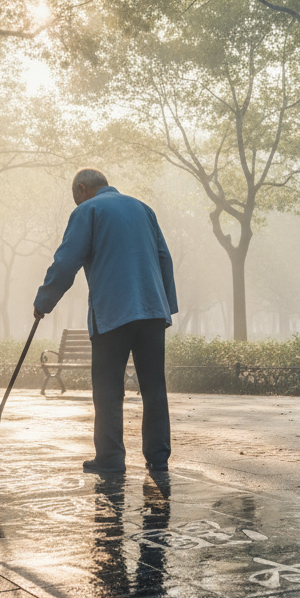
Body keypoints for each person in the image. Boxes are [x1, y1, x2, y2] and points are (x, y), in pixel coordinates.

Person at [34, 169, 178, 474]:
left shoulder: (88, 210)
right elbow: (164, 258)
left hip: (113, 312)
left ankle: (111, 458)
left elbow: (66, 261)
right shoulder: (143, 209)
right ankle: (158, 458)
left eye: (76, 197)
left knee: (108, 388)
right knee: (154, 387)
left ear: (83, 189)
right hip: (152, 310)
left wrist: (43, 302)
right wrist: (166, 306)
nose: (77, 202)